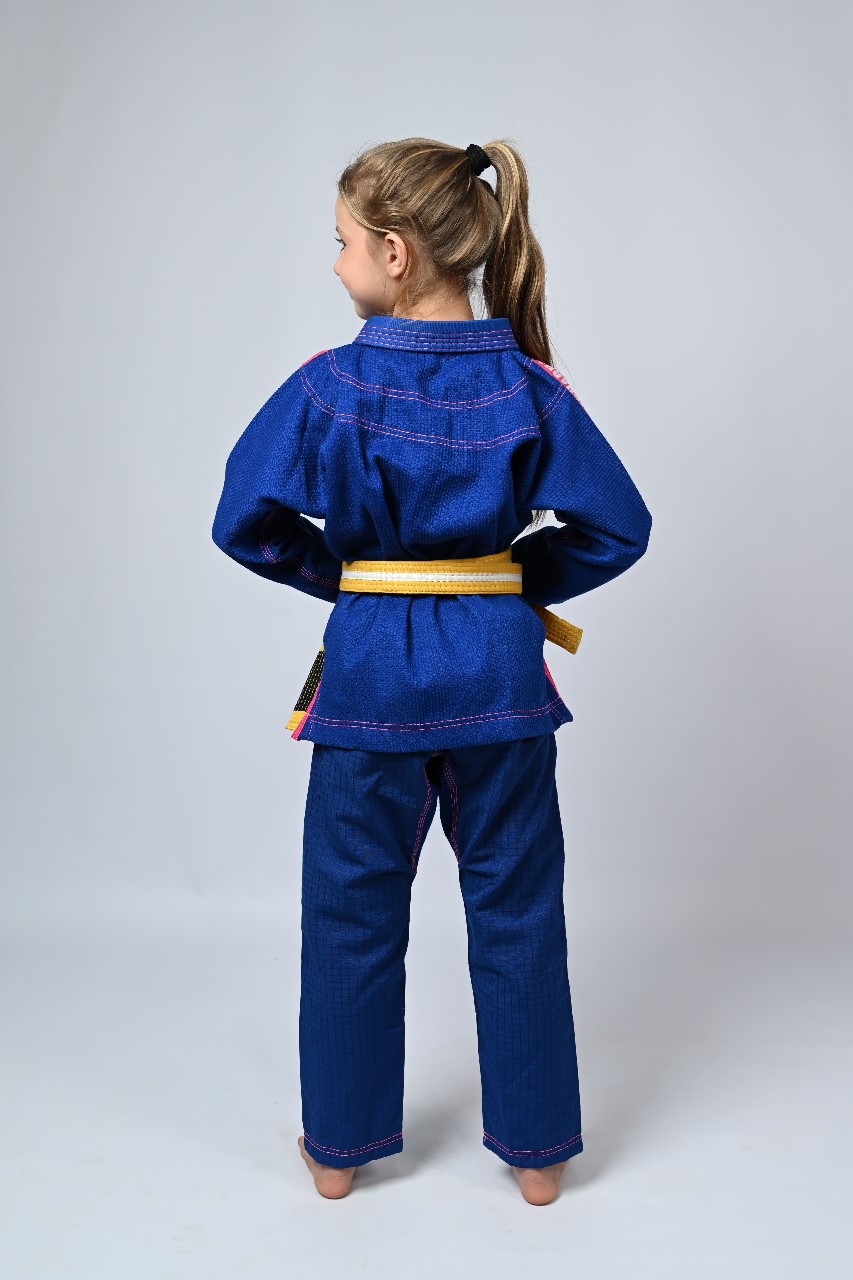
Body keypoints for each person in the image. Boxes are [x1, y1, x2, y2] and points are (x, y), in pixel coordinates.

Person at [211, 137, 653, 1205]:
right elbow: (619, 525)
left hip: (369, 683)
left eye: (341, 242)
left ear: (395, 252)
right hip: (501, 683)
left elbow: (242, 521)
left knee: (349, 910)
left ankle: (337, 1149)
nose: (334, 263)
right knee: (518, 908)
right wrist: (504, 585)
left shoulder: (327, 386)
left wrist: (352, 581)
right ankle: (540, 1157)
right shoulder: (529, 386)